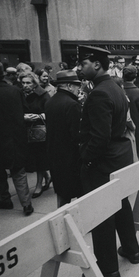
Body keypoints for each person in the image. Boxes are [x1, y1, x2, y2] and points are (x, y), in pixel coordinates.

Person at [78, 45, 139, 277]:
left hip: (103, 162)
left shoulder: (100, 93)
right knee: (121, 204)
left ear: (96, 64)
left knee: (101, 215)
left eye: (83, 63)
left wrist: (87, 160)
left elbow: (100, 138)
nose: (79, 68)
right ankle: (131, 250)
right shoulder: (114, 86)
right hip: (118, 156)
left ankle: (108, 270)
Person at [0, 61, 34, 215]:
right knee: (19, 172)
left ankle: (5, 198)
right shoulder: (14, 91)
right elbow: (25, 111)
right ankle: (26, 204)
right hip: (14, 138)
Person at [45, 70, 84, 207]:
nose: (78, 89)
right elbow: (76, 135)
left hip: (55, 155)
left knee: (62, 195)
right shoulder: (72, 104)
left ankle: (60, 224)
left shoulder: (51, 101)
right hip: (71, 158)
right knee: (80, 194)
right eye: (76, 85)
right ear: (69, 86)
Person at [20, 71, 52, 198]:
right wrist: (23, 117)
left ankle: (39, 185)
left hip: (39, 131)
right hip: (26, 130)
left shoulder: (43, 95)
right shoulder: (19, 94)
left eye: (28, 82)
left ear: (34, 83)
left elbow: (49, 111)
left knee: (39, 159)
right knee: (33, 158)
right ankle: (47, 176)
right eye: (23, 83)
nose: (25, 85)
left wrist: (38, 116)